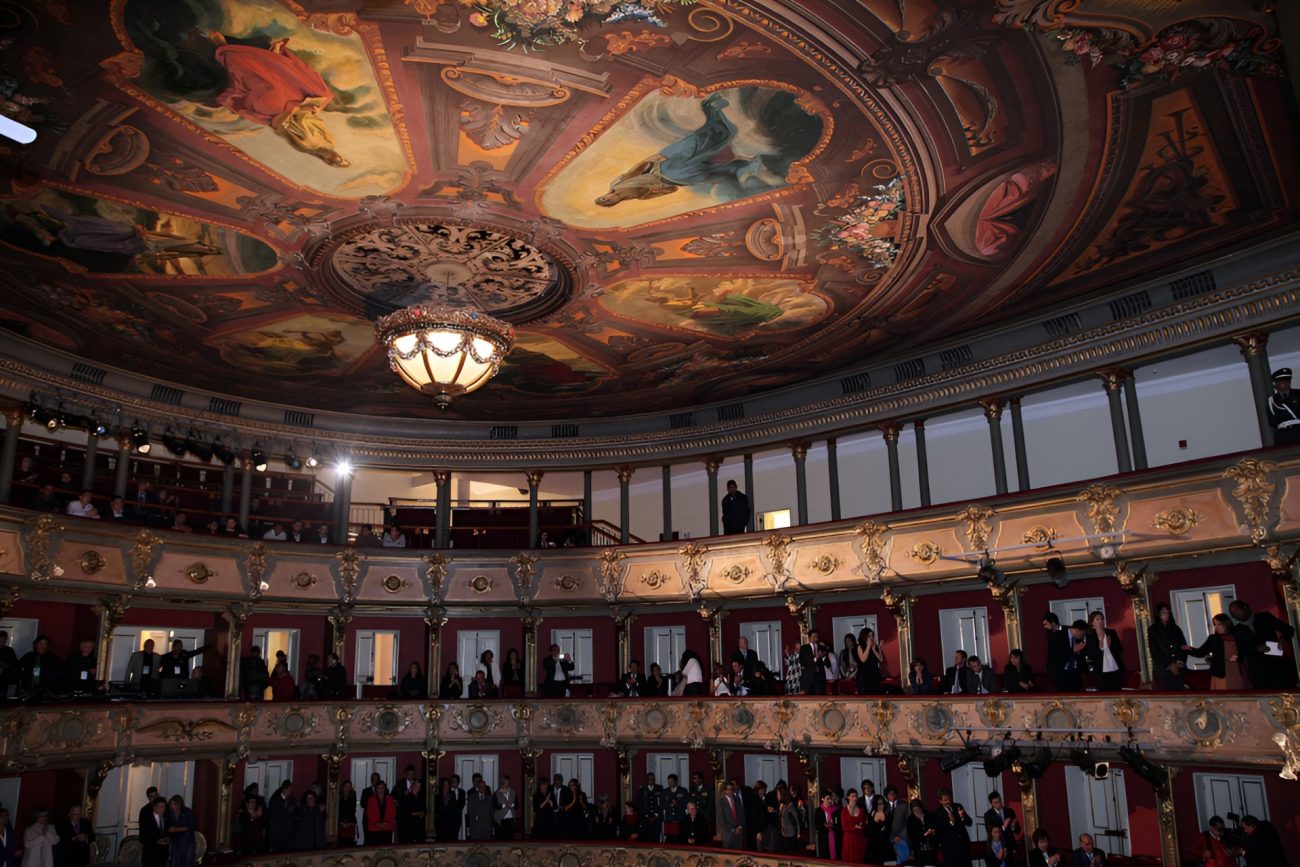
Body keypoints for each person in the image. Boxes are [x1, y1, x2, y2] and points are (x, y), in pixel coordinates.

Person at [1229, 600, 1295, 689]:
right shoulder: (1236, 630)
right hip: (1258, 670)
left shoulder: (1265, 618)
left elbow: (1289, 630)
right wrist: (1256, 648)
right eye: (1233, 613)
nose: (1235, 615)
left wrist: (1283, 640)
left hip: (1277, 665)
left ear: (1245, 607)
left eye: (1237, 611)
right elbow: (1241, 648)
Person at [1186, 613, 1247, 690]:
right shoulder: (1213, 639)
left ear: (1226, 623)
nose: (1217, 627)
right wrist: (1189, 649)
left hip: (1237, 670)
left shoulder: (1237, 635)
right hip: (1220, 670)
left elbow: (1244, 650)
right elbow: (1200, 652)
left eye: (1219, 624)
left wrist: (1238, 656)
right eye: (1215, 625)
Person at [1148, 603, 1190, 690]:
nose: (1167, 615)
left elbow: (1183, 646)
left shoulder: (1176, 629)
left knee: (1180, 693)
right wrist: (1170, 665)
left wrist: (1179, 662)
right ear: (1158, 614)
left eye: (1168, 612)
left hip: (1179, 668)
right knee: (1167, 695)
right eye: (1164, 612)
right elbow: (1155, 651)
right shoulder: (1153, 630)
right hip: (1164, 669)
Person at [1085, 611, 1125, 691]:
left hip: (1114, 668)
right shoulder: (1090, 636)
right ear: (1092, 622)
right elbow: (1090, 653)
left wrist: (1110, 646)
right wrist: (1100, 646)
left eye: (1102, 619)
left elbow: (1120, 649)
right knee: (1104, 691)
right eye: (1097, 619)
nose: (1100, 621)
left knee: (1117, 691)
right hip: (1100, 670)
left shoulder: (1111, 632)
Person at [935, 788, 973, 867]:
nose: (948, 802)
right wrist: (951, 822)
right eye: (945, 800)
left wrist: (962, 817)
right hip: (950, 849)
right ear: (940, 801)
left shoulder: (958, 806)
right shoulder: (938, 813)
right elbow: (941, 831)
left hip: (963, 846)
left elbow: (969, 822)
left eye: (949, 799)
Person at [1043, 613, 1077, 691]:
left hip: (1070, 665)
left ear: (1053, 623)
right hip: (1056, 668)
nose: (1045, 627)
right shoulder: (1049, 634)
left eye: (1046, 624)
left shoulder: (1068, 630)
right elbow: (1051, 650)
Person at [1267, 367, 1300, 445]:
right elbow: (1272, 422)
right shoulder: (1271, 400)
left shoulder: (1298, 394)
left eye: (1286, 381)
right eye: (1280, 382)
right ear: (1276, 384)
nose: (1283, 384)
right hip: (1283, 435)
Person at [165, 796, 195, 867]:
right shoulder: (170, 813)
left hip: (187, 841)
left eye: (174, 804)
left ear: (179, 804)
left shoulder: (187, 811)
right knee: (175, 861)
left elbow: (191, 826)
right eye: (171, 804)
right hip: (176, 841)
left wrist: (176, 829)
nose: (172, 806)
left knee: (187, 861)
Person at [265, 781, 295, 852]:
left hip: (286, 833)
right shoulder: (275, 799)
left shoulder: (290, 799)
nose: (290, 792)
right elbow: (274, 815)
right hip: (278, 834)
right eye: (289, 790)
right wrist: (285, 809)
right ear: (285, 789)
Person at [395, 772, 425, 844]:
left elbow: (424, 809)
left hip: (419, 826)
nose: (418, 788)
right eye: (417, 786)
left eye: (419, 786)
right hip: (409, 826)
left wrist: (422, 813)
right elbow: (406, 812)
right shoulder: (407, 798)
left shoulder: (421, 798)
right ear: (413, 786)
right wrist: (418, 813)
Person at [139, 798, 169, 867]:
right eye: (160, 807)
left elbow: (167, 832)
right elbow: (142, 837)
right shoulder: (147, 818)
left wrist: (168, 838)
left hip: (163, 856)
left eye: (164, 806)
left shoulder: (166, 817)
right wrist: (156, 841)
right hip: (150, 856)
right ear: (154, 807)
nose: (163, 809)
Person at [798, 630, 829, 695]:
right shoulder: (804, 648)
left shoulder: (821, 647)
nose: (815, 638)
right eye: (813, 636)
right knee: (809, 696)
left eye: (816, 636)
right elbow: (804, 661)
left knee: (819, 695)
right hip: (809, 676)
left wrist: (822, 656)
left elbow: (826, 660)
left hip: (819, 676)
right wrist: (815, 658)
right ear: (809, 638)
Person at [856, 627, 885, 695]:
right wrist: (868, 646)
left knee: (877, 694)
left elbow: (881, 659)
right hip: (864, 676)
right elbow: (863, 659)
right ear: (864, 636)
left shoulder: (875, 646)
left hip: (875, 674)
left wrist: (874, 649)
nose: (871, 637)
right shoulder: (860, 646)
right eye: (869, 636)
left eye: (872, 635)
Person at [840, 789, 867, 862]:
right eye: (853, 796)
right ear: (848, 797)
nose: (855, 798)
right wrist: (854, 827)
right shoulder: (844, 811)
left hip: (859, 838)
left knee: (860, 859)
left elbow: (864, 824)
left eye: (856, 796)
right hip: (849, 839)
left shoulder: (861, 810)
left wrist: (861, 826)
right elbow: (844, 827)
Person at [909, 798, 937, 867]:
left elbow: (934, 828)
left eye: (917, 809)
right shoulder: (910, 820)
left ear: (921, 808)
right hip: (918, 849)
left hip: (931, 847)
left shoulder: (930, 815)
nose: (916, 811)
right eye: (914, 810)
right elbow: (911, 835)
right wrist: (925, 835)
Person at [662, 774, 689, 846]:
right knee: (670, 839)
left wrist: (678, 804)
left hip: (680, 818)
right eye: (668, 781)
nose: (669, 783)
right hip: (670, 819)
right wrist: (670, 805)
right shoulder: (665, 792)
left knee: (680, 838)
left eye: (671, 781)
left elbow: (686, 803)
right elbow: (662, 804)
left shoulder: (683, 791)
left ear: (675, 782)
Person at [636, 773, 663, 843]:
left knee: (656, 838)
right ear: (647, 780)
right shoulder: (642, 790)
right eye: (649, 779)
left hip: (656, 819)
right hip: (646, 819)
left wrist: (656, 815)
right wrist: (647, 816)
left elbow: (661, 804)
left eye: (653, 779)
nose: (651, 781)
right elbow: (640, 805)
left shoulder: (659, 788)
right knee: (647, 839)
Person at [813, 790, 840, 859]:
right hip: (824, 838)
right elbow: (817, 825)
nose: (830, 800)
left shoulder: (836, 810)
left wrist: (833, 825)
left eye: (830, 798)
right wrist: (824, 826)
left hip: (834, 836)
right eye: (828, 798)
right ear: (822, 799)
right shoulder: (818, 811)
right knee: (825, 857)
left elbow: (839, 824)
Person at [719, 780, 745, 849]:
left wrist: (739, 826)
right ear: (725, 791)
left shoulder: (737, 800)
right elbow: (722, 819)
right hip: (728, 833)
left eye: (732, 789)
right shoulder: (721, 802)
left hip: (739, 832)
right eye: (729, 789)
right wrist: (732, 829)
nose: (731, 791)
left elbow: (742, 814)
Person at [493, 776, 517, 840]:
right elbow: (494, 806)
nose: (506, 784)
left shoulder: (513, 792)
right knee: (501, 840)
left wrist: (512, 805)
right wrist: (504, 805)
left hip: (510, 820)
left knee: (510, 839)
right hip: (500, 820)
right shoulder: (496, 793)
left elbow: (517, 805)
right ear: (502, 783)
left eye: (507, 782)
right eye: (505, 782)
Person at [337, 780, 358, 846]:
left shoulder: (353, 796)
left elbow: (352, 811)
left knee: (350, 843)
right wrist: (340, 822)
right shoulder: (338, 796)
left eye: (349, 787)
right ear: (343, 787)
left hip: (350, 823)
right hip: (340, 823)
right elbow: (337, 811)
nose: (347, 788)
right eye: (346, 786)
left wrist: (350, 822)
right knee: (340, 843)